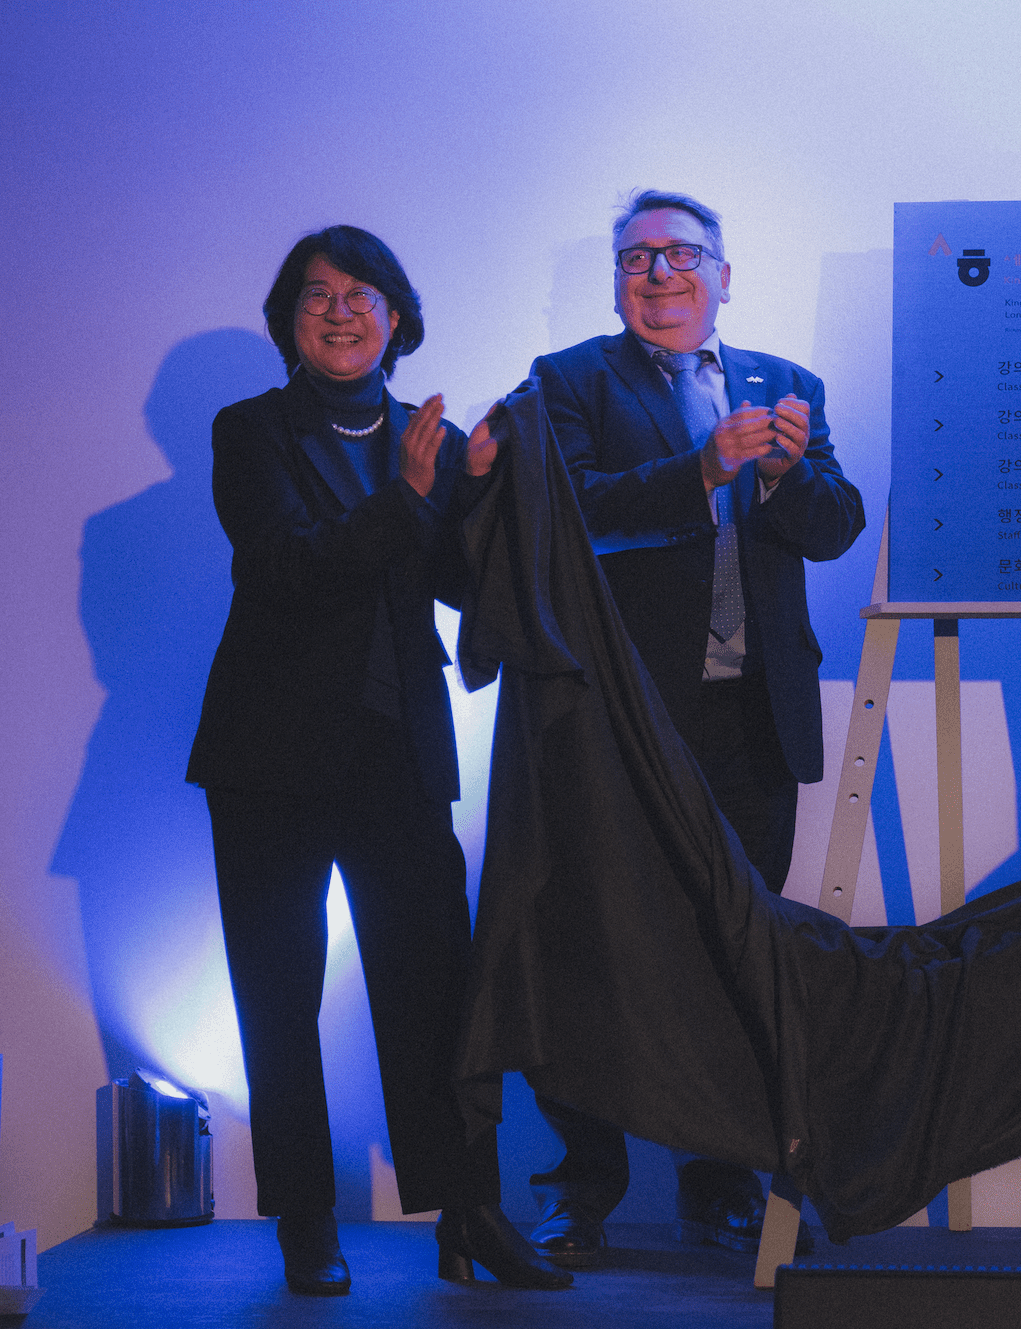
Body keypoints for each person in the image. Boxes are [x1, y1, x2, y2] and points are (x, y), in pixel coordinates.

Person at [186, 225, 569, 1295]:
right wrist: (409, 498)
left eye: (362, 294)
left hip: (400, 751)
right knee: (278, 993)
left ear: (397, 316)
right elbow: (282, 569)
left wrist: (476, 494)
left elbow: (453, 584)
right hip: (267, 759)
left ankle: (468, 1217)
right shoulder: (249, 431)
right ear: (288, 322)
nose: (340, 310)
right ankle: (306, 1219)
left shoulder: (431, 441)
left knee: (439, 993)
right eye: (316, 295)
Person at [511, 190, 865, 1265]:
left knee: (738, 950)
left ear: (723, 272)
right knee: (592, 949)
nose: (657, 274)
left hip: (751, 714)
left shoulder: (786, 384)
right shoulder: (568, 380)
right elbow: (565, 512)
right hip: (622, 712)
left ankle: (719, 1179)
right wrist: (701, 469)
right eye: (634, 259)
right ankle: (583, 1186)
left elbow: (837, 527)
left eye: (679, 255)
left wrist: (783, 471)